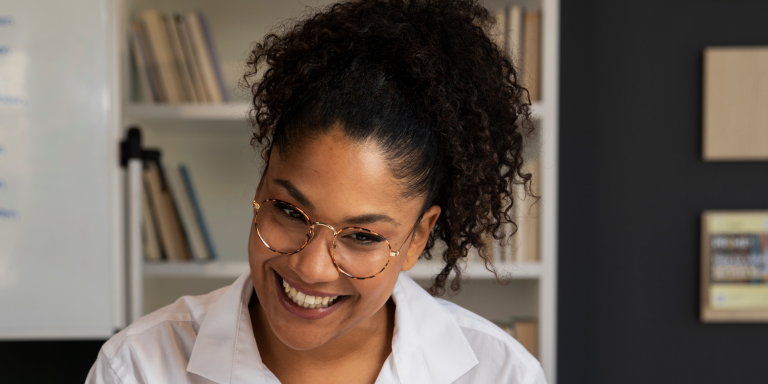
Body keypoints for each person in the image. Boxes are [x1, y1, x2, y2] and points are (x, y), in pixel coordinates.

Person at [87, 0, 545, 382]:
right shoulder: (138, 367)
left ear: (418, 239)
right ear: (263, 181)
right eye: (288, 210)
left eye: (362, 236)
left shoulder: (500, 374)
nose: (310, 267)